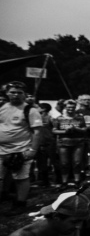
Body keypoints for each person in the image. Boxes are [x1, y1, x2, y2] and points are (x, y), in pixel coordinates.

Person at [0, 81, 42, 212]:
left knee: (21, 178)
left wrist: (32, 150)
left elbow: (37, 132)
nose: (16, 95)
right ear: (7, 93)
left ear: (24, 94)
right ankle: (4, 196)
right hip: (1, 150)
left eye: (19, 93)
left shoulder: (30, 110)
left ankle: (20, 204)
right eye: (12, 92)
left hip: (21, 150)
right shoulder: (2, 107)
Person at [52, 100, 87, 186]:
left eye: (72, 107)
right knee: (64, 163)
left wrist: (76, 129)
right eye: (68, 107)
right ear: (65, 108)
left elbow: (85, 129)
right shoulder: (59, 118)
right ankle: (64, 181)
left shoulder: (80, 117)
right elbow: (54, 130)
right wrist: (65, 131)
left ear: (75, 108)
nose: (71, 109)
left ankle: (77, 181)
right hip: (63, 143)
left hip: (78, 143)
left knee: (77, 162)